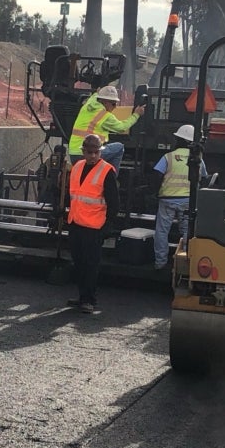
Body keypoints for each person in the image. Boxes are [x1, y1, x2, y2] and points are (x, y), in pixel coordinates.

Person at [63, 133, 120, 314]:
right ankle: (82, 296)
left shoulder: (107, 171)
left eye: (96, 152)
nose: (93, 155)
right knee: (78, 263)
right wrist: (62, 209)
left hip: (94, 227)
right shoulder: (77, 167)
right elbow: (72, 194)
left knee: (90, 265)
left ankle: (89, 299)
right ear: (83, 152)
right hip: (76, 223)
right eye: (90, 152)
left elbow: (114, 202)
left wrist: (107, 226)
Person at [152, 124, 208, 269]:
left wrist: (154, 193)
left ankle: (160, 263)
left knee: (162, 232)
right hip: (188, 201)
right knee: (186, 232)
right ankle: (184, 263)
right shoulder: (198, 159)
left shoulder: (168, 157)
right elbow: (204, 178)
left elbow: (157, 176)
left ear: (179, 140)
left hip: (167, 199)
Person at [70, 84, 144, 164]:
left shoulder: (88, 105)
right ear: (105, 102)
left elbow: (95, 96)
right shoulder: (104, 116)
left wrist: (98, 92)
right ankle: (111, 175)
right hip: (87, 155)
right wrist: (136, 114)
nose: (115, 107)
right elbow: (122, 127)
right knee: (119, 147)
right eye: (113, 104)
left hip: (73, 153)